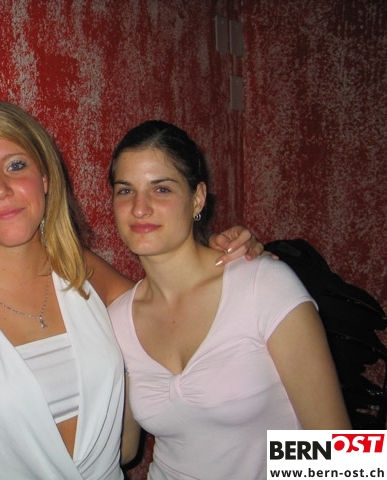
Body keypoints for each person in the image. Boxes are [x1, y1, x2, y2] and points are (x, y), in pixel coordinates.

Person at [0, 100, 265, 479]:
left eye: (16, 166)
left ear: (44, 178)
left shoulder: (83, 272)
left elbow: (175, 307)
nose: (0, 189)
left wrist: (234, 263)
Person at [106, 120, 351, 480]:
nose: (139, 208)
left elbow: (338, 451)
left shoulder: (262, 285)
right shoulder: (116, 321)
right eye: (126, 190)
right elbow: (125, 450)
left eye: (161, 189)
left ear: (197, 198)